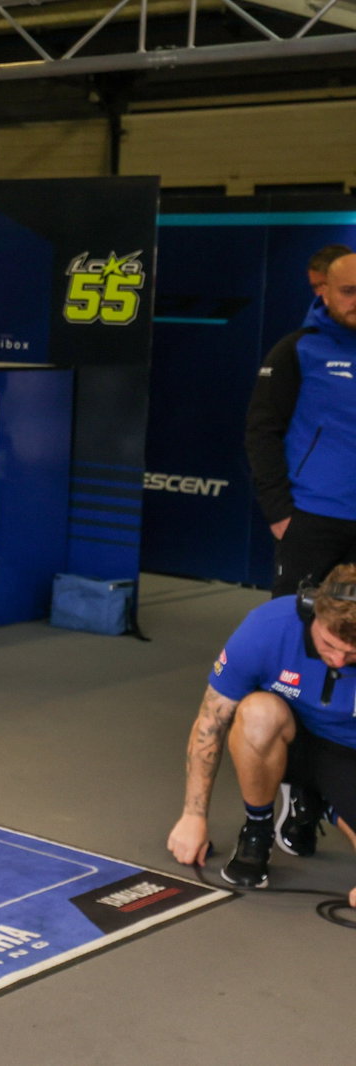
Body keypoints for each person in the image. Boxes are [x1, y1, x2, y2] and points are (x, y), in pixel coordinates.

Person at [166, 565, 356, 907]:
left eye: (352, 653)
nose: (339, 660)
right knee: (257, 711)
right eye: (329, 643)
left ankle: (319, 801)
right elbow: (211, 721)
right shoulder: (268, 627)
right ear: (313, 610)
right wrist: (193, 816)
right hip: (285, 734)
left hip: (347, 750)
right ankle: (258, 828)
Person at [246, 251, 356, 597]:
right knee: (296, 627)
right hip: (313, 519)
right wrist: (279, 512)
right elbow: (262, 431)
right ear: (325, 292)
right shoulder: (298, 349)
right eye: (348, 291)